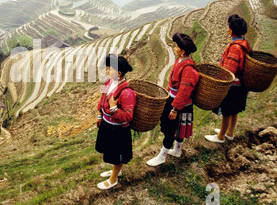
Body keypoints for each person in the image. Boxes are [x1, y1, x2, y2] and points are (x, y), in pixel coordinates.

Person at [146, 33, 199, 166]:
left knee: (171, 129)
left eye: (176, 46)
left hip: (179, 104)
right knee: (177, 128)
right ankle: (177, 150)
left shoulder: (189, 69)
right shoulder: (181, 61)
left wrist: (175, 108)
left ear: (182, 50)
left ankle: (162, 155)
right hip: (174, 100)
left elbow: (184, 91)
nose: (174, 48)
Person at [205, 14, 252, 143]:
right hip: (241, 85)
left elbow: (229, 70)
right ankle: (229, 133)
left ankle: (220, 136)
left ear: (231, 30)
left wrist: (220, 81)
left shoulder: (235, 48)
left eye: (228, 27)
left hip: (233, 86)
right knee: (234, 110)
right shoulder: (243, 43)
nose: (227, 29)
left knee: (227, 111)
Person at [95, 54, 136, 190]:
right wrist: (99, 115)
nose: (107, 71)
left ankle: (113, 179)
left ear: (118, 73)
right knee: (111, 152)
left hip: (117, 130)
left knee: (117, 154)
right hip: (107, 125)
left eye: (109, 69)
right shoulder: (108, 83)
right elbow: (102, 98)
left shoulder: (127, 93)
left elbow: (128, 116)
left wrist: (113, 108)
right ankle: (116, 171)